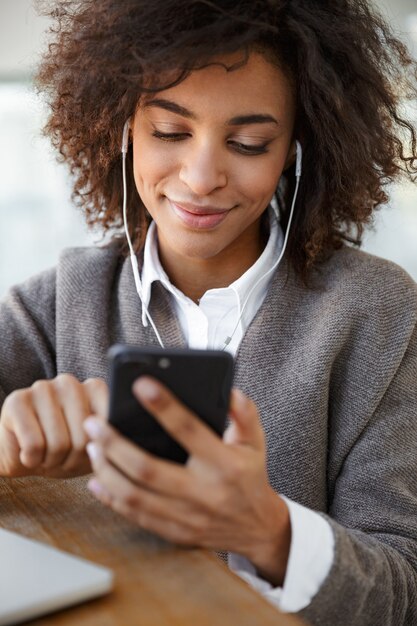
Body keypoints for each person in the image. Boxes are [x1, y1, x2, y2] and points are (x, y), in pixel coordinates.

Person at [1, 0, 416, 623]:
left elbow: (402, 591)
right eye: (169, 132)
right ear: (122, 130)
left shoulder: (378, 313)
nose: (200, 178)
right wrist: (7, 443)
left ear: (296, 151)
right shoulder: (63, 298)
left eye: (249, 143)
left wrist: (269, 531)